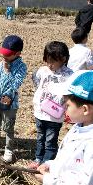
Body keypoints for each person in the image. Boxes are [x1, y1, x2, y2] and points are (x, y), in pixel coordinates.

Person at [28, 41, 73, 170]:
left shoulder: (69, 75)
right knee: (40, 138)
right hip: (40, 112)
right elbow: (36, 81)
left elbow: (70, 94)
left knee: (50, 141)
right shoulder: (42, 71)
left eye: (52, 61)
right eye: (47, 61)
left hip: (54, 115)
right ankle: (38, 159)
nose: (49, 64)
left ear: (63, 59)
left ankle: (47, 163)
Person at [0, 35, 27, 163]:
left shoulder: (21, 66)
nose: (4, 57)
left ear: (18, 53)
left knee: (8, 126)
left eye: (8, 55)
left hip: (10, 103)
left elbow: (16, 83)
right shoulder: (1, 63)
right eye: (3, 54)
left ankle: (8, 149)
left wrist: (8, 95)